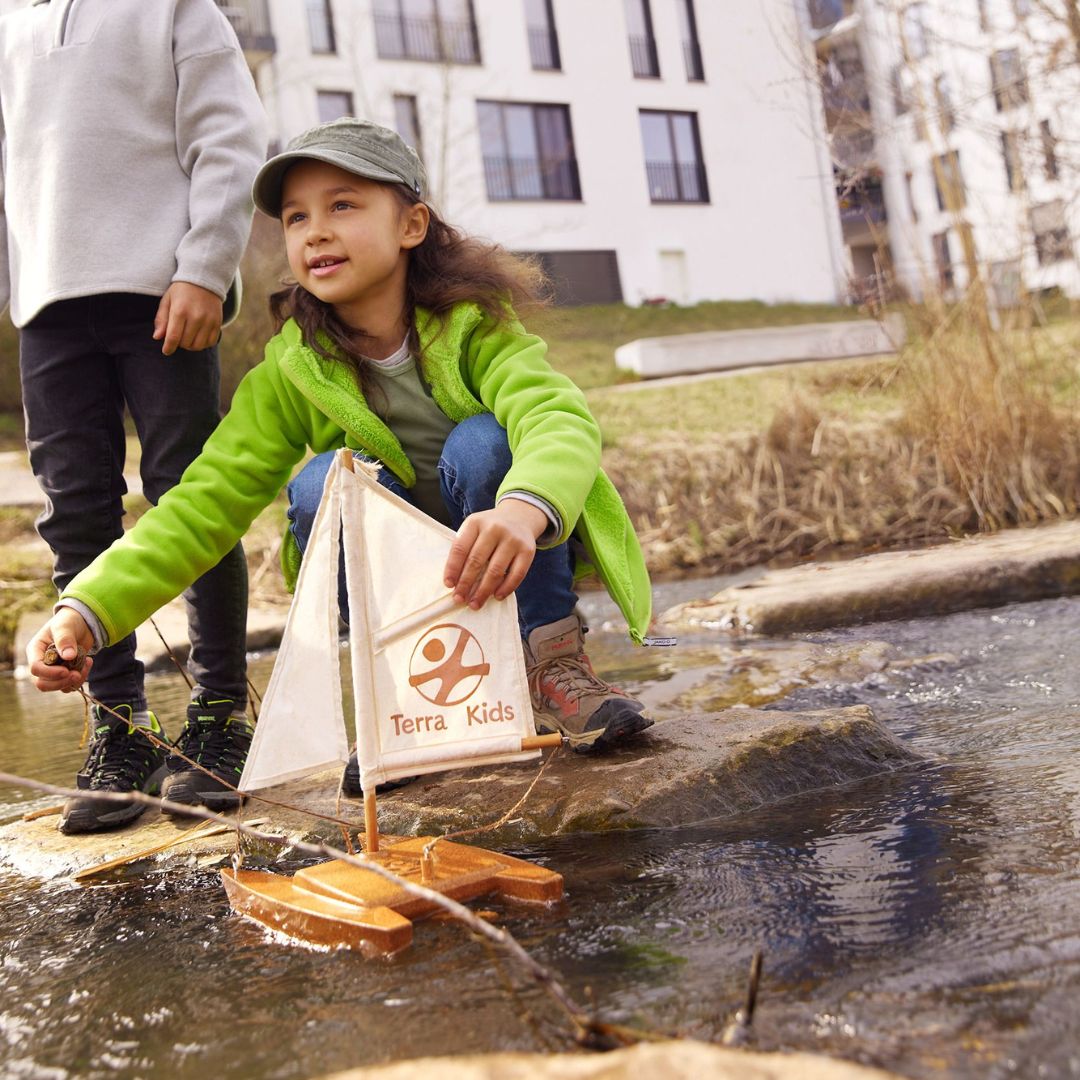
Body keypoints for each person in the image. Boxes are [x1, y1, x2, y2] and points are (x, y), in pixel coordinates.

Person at [26, 117, 656, 804]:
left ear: (411, 224)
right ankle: (395, 701)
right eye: (296, 218)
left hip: (508, 543)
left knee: (485, 444)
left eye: (342, 205)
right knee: (324, 480)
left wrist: (522, 507)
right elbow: (203, 503)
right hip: (407, 575)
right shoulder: (295, 367)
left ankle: (551, 664)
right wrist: (88, 611)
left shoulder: (474, 324)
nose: (315, 232)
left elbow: (555, 417)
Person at [0, 0, 268, 833]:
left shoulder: (176, 8)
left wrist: (206, 269)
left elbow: (229, 140)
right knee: (75, 511)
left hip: (164, 293)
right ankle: (121, 727)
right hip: (47, 305)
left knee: (189, 495)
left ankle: (221, 714)